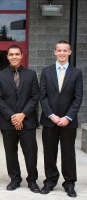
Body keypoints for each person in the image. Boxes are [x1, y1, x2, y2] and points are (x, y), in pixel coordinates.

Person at [0, 45, 40, 193]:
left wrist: (22, 115)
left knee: (31, 151)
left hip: (27, 120)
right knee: (10, 152)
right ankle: (15, 179)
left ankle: (32, 180)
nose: (14, 57)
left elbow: (35, 97)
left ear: (21, 56)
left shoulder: (31, 74)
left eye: (17, 54)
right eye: (11, 54)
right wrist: (13, 116)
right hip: (8, 121)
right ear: (7, 56)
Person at [39, 40, 83, 198]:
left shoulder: (76, 73)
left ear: (70, 52)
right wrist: (51, 115)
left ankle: (69, 183)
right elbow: (42, 96)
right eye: (59, 50)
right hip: (49, 121)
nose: (62, 53)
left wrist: (68, 117)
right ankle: (50, 181)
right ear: (55, 52)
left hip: (68, 122)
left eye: (65, 50)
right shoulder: (46, 71)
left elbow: (78, 98)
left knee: (68, 153)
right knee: (49, 152)